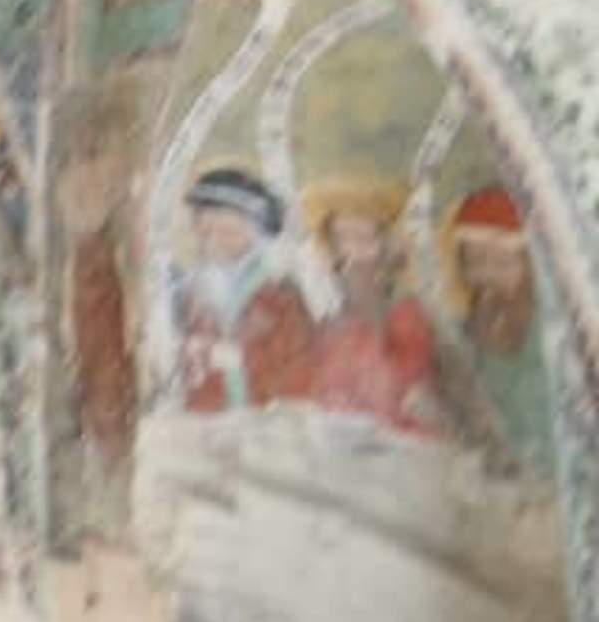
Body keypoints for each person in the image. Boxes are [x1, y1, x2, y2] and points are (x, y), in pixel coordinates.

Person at [303, 181, 441, 435]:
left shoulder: (405, 314)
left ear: (385, 245)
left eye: (365, 239)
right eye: (343, 238)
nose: (354, 252)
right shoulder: (327, 315)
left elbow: (402, 391)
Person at [173, 167, 315, 412]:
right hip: (208, 418)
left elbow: (296, 363)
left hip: (266, 417)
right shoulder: (195, 289)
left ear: (253, 227)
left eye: (225, 229)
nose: (212, 237)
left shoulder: (279, 288)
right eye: (205, 228)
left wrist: (234, 357)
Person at [449, 188, 552, 474]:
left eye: (503, 263)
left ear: (530, 267)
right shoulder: (467, 331)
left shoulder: (552, 335)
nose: (487, 277)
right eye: (475, 263)